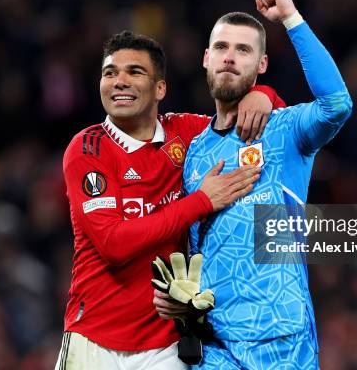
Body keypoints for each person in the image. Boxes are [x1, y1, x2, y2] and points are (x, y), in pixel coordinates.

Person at [56, 29, 286, 369]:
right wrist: (201, 201)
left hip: (166, 344)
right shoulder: (87, 149)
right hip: (95, 338)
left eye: (134, 72)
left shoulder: (187, 135)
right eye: (110, 73)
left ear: (160, 88)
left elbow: (272, 122)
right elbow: (113, 244)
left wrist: (264, 95)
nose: (119, 81)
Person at [157, 0, 353, 369]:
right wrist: (175, 296)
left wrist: (291, 20)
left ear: (261, 64)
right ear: (206, 58)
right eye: (222, 48)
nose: (230, 58)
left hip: (282, 337)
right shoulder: (192, 149)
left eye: (244, 50)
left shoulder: (285, 130)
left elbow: (336, 104)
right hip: (214, 343)